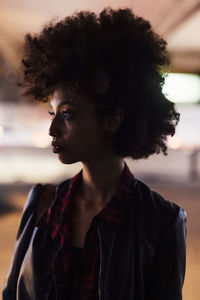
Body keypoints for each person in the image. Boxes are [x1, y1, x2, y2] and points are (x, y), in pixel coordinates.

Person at [2, 7, 187, 300]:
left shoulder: (161, 222)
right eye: (53, 112)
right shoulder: (43, 204)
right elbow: (13, 293)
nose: (52, 129)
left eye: (68, 114)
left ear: (112, 120)